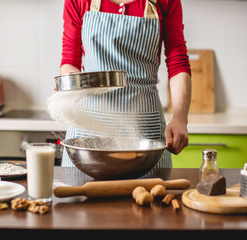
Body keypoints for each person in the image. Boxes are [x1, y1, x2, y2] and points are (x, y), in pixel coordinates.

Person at [59, 0, 192, 167]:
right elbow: (69, 60)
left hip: (144, 135)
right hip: (88, 132)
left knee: (151, 193)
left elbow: (177, 63)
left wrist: (180, 117)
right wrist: (71, 79)